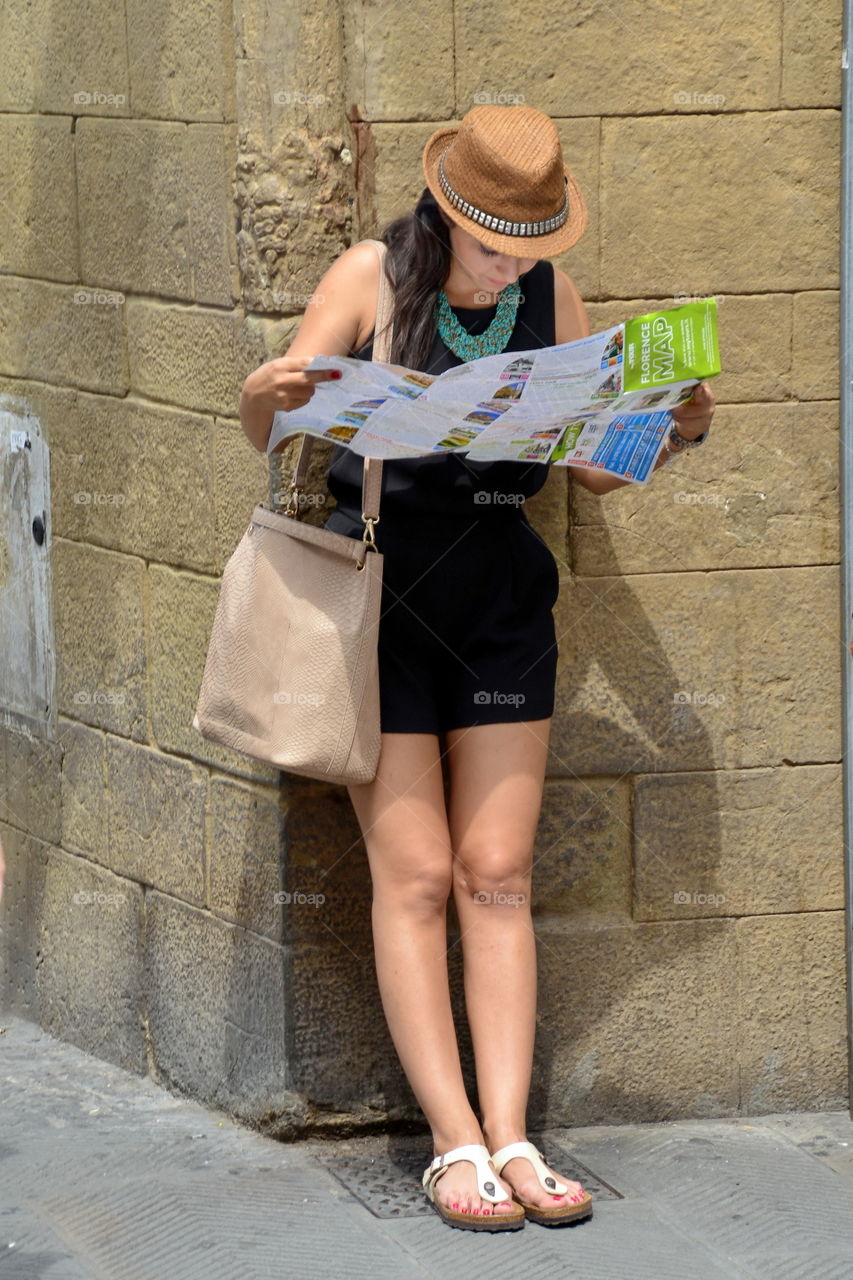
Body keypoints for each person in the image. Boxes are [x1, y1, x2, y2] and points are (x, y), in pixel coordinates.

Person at [239, 104, 716, 1232]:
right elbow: (265, 426)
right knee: (410, 876)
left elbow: (592, 469)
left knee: (495, 871)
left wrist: (672, 428)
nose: (512, 262)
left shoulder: (548, 299)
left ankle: (512, 1135)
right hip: (381, 605)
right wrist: (279, 391)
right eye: (494, 241)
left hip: (503, 603)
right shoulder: (369, 276)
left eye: (529, 244)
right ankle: (450, 1142)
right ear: (447, 211)